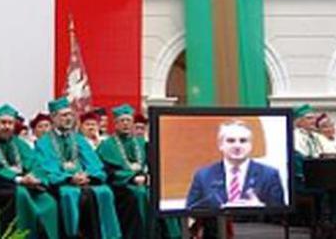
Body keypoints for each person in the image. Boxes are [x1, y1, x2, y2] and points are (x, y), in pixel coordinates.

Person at [35, 96, 121, 239]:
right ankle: (73, 235)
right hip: (62, 183)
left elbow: (93, 162)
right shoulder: (43, 142)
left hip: (85, 180)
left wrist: (88, 175)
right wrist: (69, 178)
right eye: (64, 115)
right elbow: (47, 167)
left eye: (70, 115)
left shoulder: (79, 139)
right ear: (53, 118)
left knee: (105, 192)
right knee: (70, 194)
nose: (68, 118)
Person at [0, 104, 58, 238]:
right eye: (3, 122)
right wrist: (18, 179)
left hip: (24, 184)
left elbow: (34, 163)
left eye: (10, 123)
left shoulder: (20, 143)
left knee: (49, 202)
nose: (7, 126)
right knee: (21, 194)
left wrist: (34, 177)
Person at [98, 104, 181, 239]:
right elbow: (108, 171)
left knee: (161, 193)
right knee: (140, 194)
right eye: (122, 121)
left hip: (144, 181)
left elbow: (153, 164)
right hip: (121, 186)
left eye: (128, 120)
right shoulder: (107, 145)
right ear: (115, 124)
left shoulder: (141, 142)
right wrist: (131, 178)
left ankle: (171, 234)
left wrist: (148, 177)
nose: (125, 124)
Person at [185, 119, 284, 210]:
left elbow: (281, 217)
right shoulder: (203, 176)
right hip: (218, 228)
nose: (237, 146)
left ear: (251, 145)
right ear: (220, 145)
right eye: (231, 141)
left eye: (243, 141)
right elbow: (190, 213)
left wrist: (261, 209)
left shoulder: (269, 175)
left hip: (256, 228)